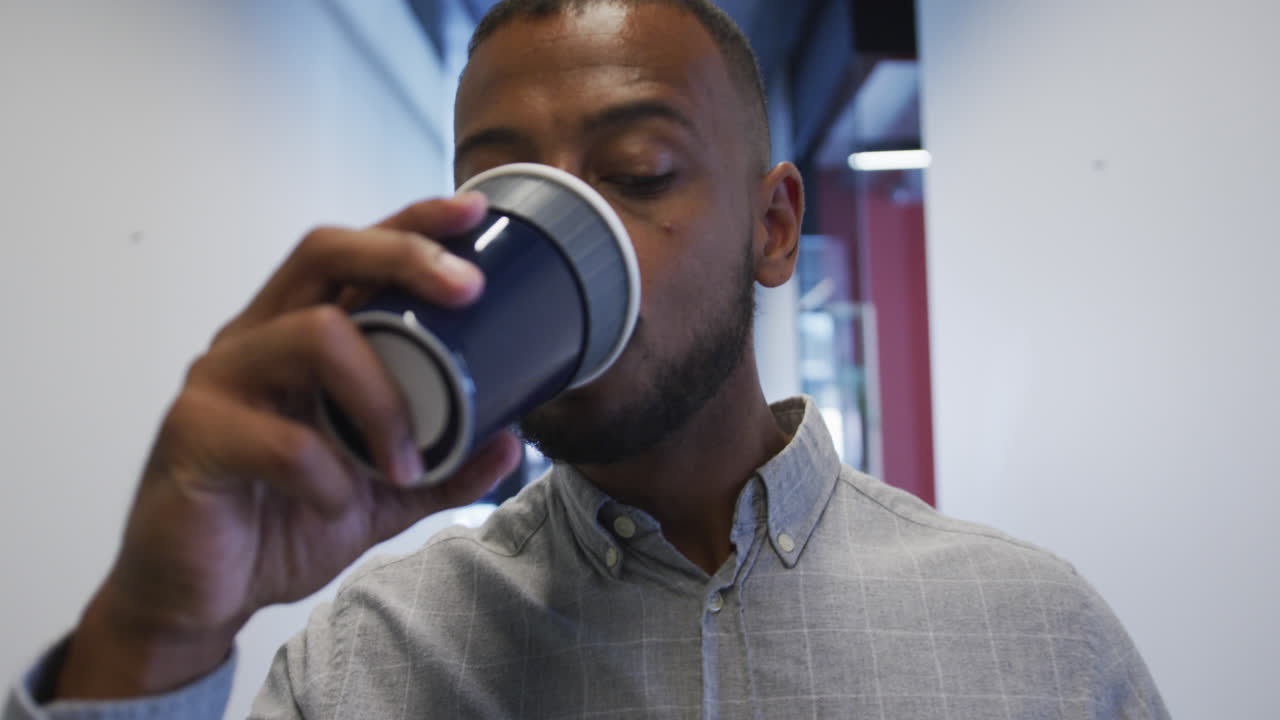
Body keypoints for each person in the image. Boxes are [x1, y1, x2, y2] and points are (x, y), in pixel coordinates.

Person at [5, 1, 1168, 718]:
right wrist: (160, 627)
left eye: (640, 172)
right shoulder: (371, 660)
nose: (565, 226)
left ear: (771, 230)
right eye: (503, 190)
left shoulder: (1031, 637)